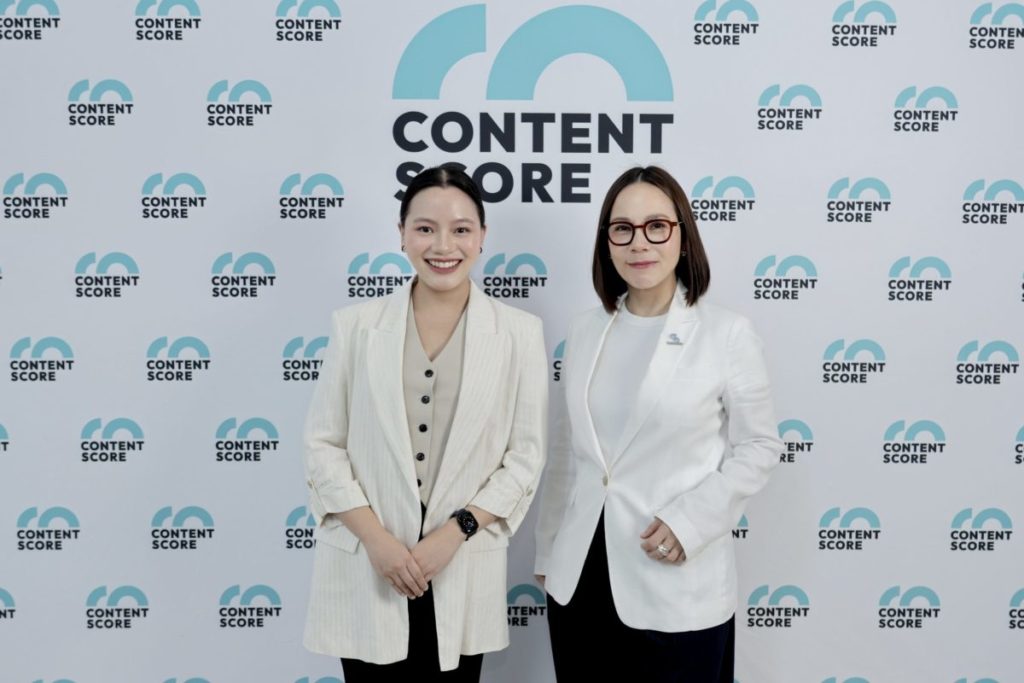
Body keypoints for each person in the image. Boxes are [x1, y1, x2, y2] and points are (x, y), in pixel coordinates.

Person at [534, 165, 783, 682]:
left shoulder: (726, 334)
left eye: (656, 226)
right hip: (580, 584)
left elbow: (759, 445)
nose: (639, 242)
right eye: (622, 228)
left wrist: (691, 522)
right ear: (606, 242)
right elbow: (567, 451)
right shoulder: (585, 330)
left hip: (673, 578)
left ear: (683, 236)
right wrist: (549, 549)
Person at [302, 164, 548, 681]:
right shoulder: (355, 327)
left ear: (482, 236)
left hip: (462, 566)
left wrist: (456, 532)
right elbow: (323, 444)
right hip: (369, 567)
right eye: (425, 228)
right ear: (401, 234)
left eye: (461, 229)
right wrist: (377, 542)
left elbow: (525, 457)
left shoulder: (519, 334)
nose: (443, 246)